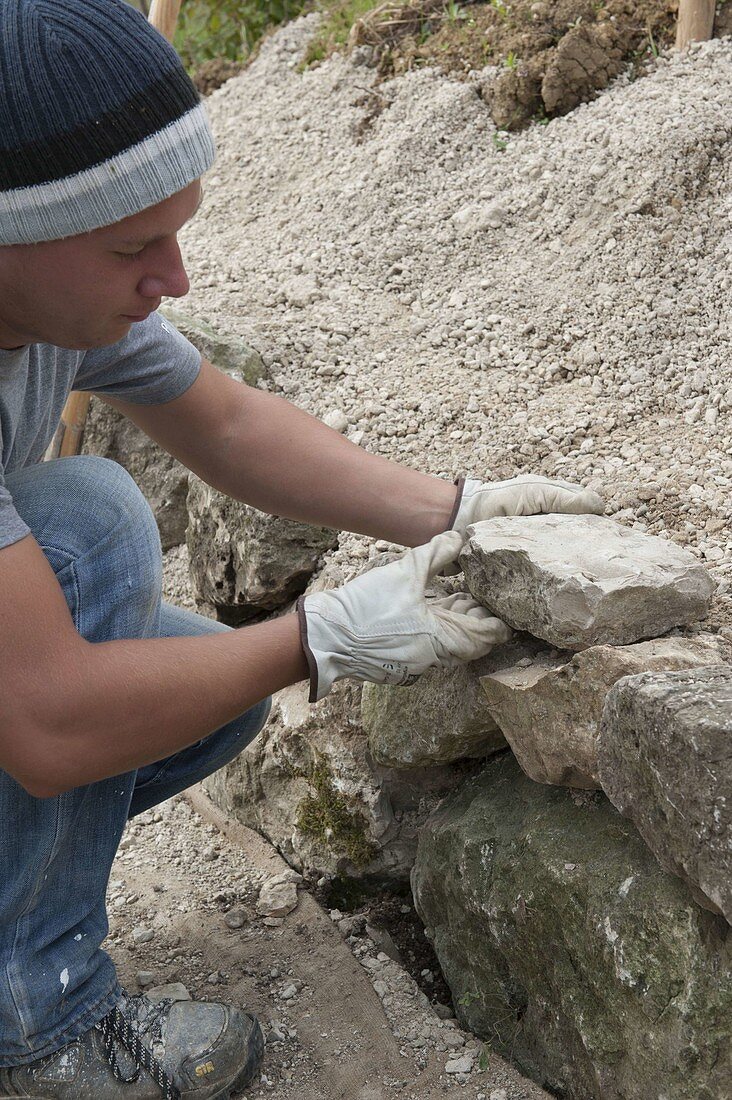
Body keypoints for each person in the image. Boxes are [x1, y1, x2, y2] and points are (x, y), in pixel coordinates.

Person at [0, 0, 604, 1096]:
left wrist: (458, 508)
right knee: (93, 530)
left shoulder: (48, 297)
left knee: (203, 686)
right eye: (133, 246)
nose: (174, 278)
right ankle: (41, 1025)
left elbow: (225, 424)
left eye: (177, 231)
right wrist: (320, 637)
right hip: (27, 703)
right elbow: (45, 721)